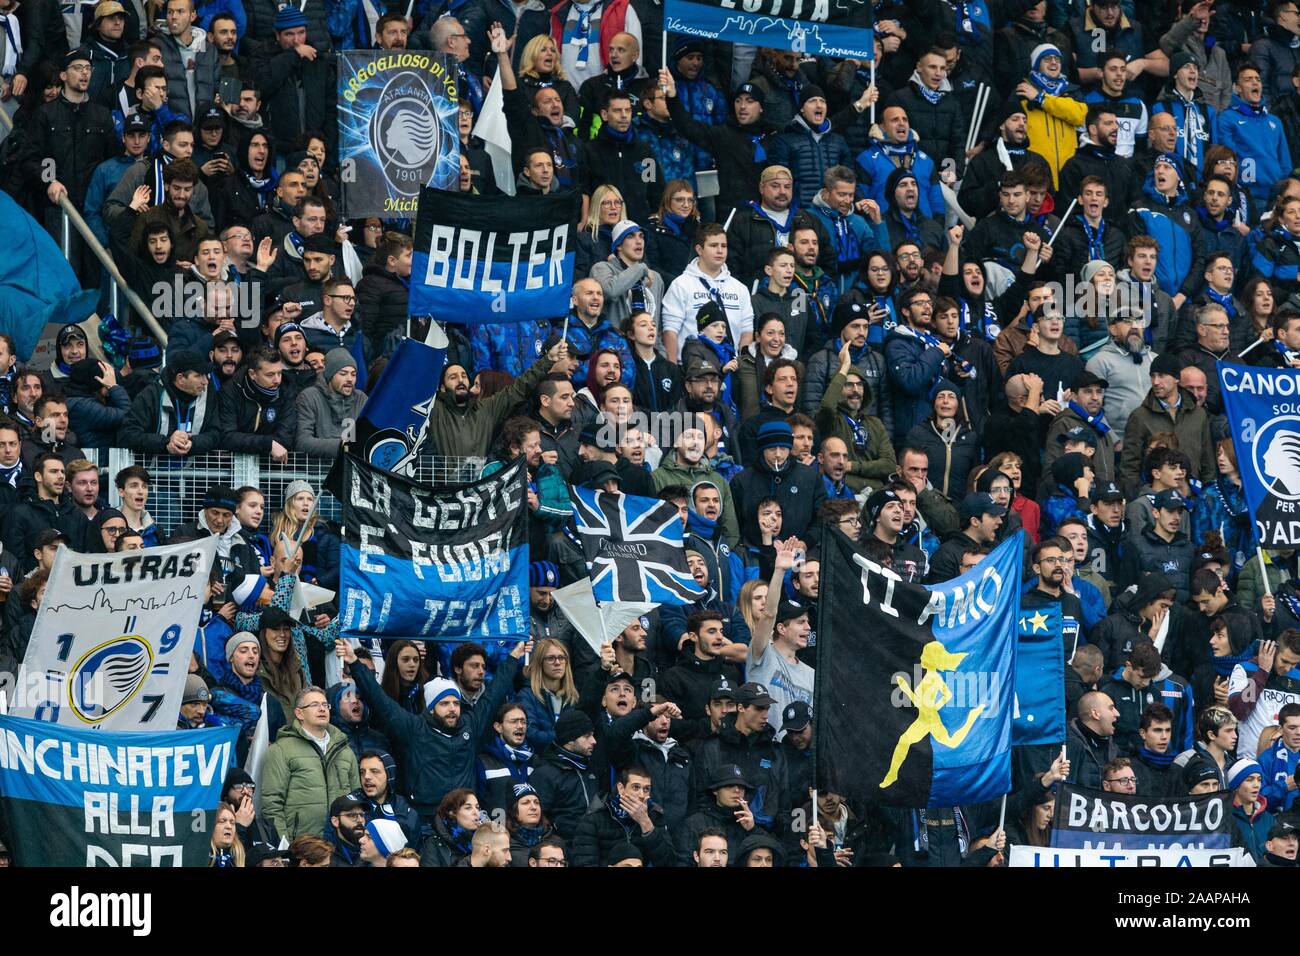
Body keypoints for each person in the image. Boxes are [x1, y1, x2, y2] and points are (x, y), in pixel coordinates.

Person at [338, 637, 530, 827]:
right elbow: (380, 700)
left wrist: (514, 656)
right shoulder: (413, 728)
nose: (452, 708)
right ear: (431, 708)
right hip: (426, 819)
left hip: (464, 817)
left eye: (455, 703)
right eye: (444, 703)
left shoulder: (470, 725)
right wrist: (354, 663)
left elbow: (494, 694)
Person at [259, 685, 360, 840]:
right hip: (302, 847)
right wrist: (285, 846)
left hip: (341, 846)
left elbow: (356, 798)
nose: (322, 709)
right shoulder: (281, 750)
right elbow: (272, 805)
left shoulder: (345, 750)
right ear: (299, 713)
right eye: (314, 705)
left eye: (325, 705)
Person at [571, 765, 676, 867]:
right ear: (621, 788)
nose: (642, 795)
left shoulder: (654, 817)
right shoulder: (594, 819)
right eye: (636, 787)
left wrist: (645, 823)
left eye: (646, 789)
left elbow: (669, 863)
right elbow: (584, 862)